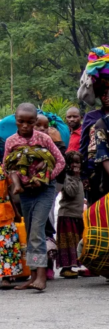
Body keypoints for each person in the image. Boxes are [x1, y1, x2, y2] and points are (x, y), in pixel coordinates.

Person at [4, 103, 66, 291]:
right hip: (24, 191)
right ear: (16, 121)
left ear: (35, 121)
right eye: (21, 121)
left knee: (37, 230)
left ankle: (42, 276)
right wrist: (18, 181)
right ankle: (32, 275)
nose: (25, 125)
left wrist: (45, 178)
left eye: (30, 122)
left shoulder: (44, 138)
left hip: (44, 190)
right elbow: (6, 165)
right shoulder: (11, 141)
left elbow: (61, 162)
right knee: (31, 231)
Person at [56, 151, 85, 279]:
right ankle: (65, 268)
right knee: (68, 243)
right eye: (72, 162)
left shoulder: (78, 178)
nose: (75, 165)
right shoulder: (68, 177)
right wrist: (74, 176)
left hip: (76, 215)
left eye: (77, 162)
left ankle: (73, 266)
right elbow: (71, 192)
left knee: (75, 242)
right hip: (67, 215)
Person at [0, 163, 22, 290]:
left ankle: (6, 277)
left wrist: (16, 212)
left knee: (6, 247)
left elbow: (8, 192)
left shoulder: (2, 170)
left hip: (5, 213)